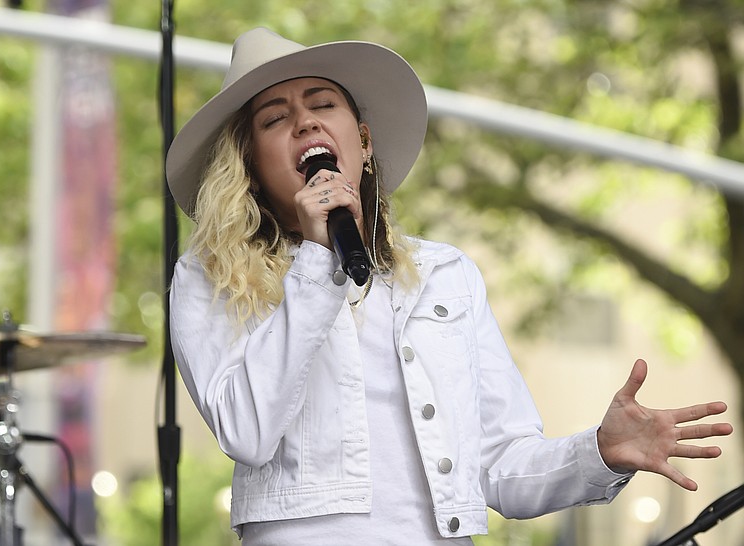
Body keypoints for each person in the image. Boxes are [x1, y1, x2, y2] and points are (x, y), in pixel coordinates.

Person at [165, 27, 733, 544]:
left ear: (362, 141)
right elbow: (246, 431)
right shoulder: (209, 278)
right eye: (273, 118)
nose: (306, 122)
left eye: (323, 104)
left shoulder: (444, 275)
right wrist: (316, 259)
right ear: (251, 163)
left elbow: (500, 466)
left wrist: (600, 453)